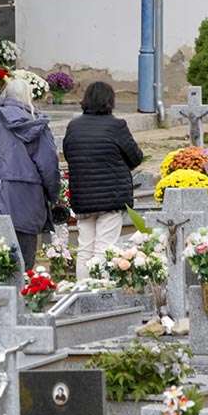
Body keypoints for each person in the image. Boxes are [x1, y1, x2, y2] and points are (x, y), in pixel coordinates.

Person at [0, 78, 60, 269]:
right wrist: (54, 196)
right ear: (28, 97)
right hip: (26, 203)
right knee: (23, 265)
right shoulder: (35, 122)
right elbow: (49, 166)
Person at [62, 81, 144, 279]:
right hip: (111, 197)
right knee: (104, 249)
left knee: (85, 249)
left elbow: (69, 154)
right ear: (110, 101)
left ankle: (82, 290)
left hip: (83, 197)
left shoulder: (74, 127)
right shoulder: (116, 126)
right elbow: (136, 157)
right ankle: (100, 291)